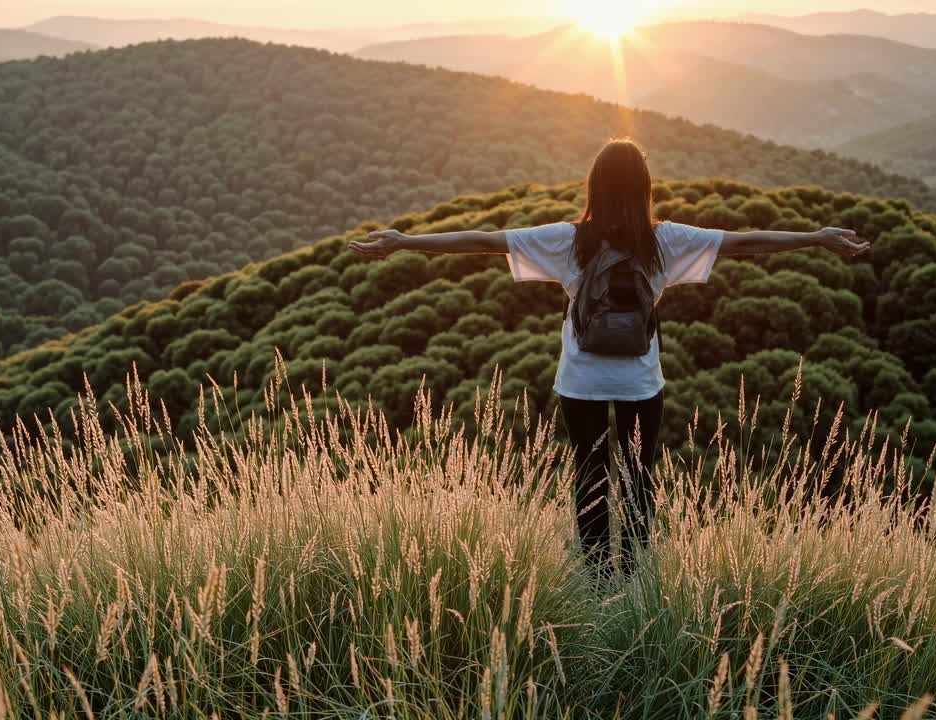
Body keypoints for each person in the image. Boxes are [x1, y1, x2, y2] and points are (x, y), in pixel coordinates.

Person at [348, 138, 871, 579]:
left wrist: (404, 242)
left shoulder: (568, 239)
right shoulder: (663, 239)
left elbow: (484, 241)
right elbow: (748, 241)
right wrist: (816, 239)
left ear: (593, 186)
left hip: (581, 381)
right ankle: (637, 574)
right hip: (642, 381)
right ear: (644, 187)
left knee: (590, 473)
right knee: (640, 476)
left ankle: (599, 578)